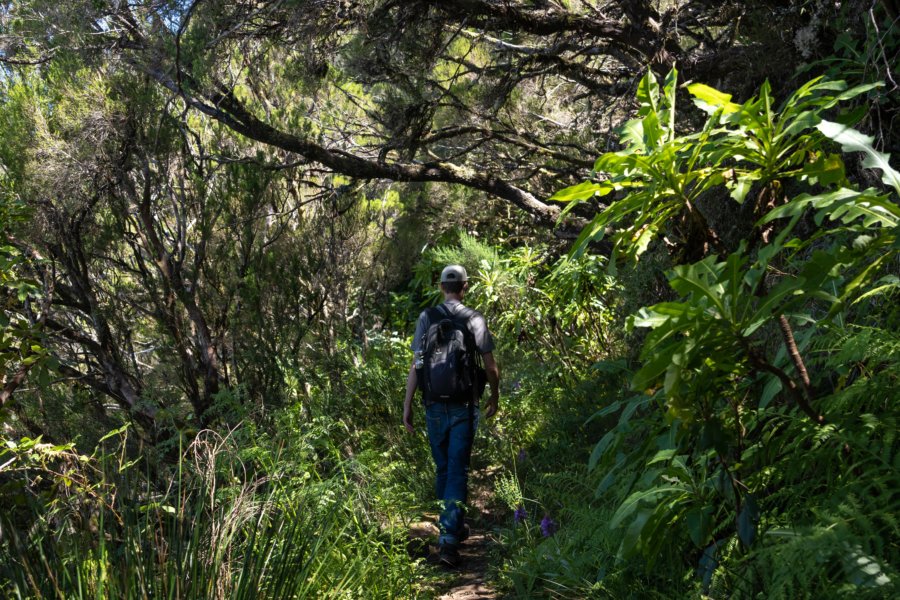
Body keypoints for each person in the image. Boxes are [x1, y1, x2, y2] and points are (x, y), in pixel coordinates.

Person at [403, 264, 500, 567]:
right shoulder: (474, 319)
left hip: (432, 405)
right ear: (465, 286)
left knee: (444, 469)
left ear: (441, 286)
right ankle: (448, 540)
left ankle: (452, 527)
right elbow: (490, 367)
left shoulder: (425, 318)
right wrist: (494, 395)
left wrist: (407, 405)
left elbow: (417, 365)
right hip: (463, 405)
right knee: (457, 470)